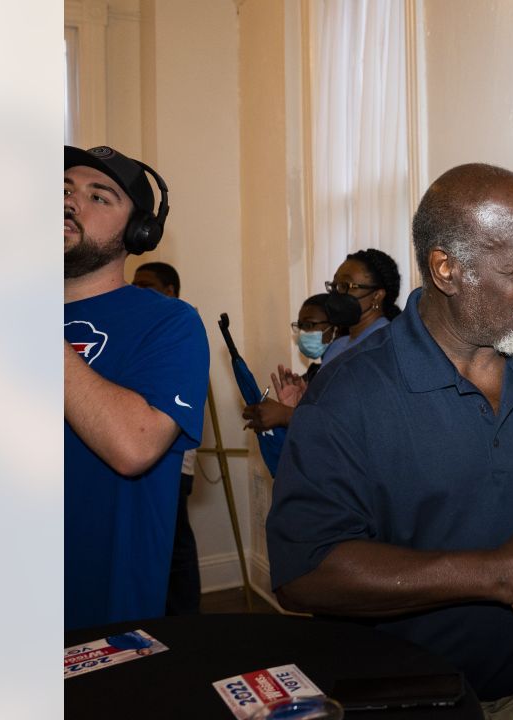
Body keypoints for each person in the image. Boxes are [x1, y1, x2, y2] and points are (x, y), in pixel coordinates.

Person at [266, 163, 513, 718]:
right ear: (447, 270)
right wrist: (491, 573)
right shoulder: (348, 395)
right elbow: (305, 572)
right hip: (405, 700)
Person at [64, 146, 209, 629]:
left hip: (96, 611)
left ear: (138, 232)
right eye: (62, 190)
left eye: (98, 197)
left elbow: (134, 445)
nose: (68, 203)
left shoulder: (170, 323)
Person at [130, 261, 201, 616]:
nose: (138, 292)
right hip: (147, 456)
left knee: (174, 547)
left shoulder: (180, 328)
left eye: (147, 286)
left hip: (173, 460)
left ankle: (186, 620)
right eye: (134, 285)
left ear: (170, 291)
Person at [240, 291, 360, 432]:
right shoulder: (317, 372)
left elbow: (340, 427)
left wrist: (286, 415)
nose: (302, 332)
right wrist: (296, 407)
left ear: (336, 327)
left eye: (309, 324)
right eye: (300, 325)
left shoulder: (346, 368)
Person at [321, 247, 402, 362]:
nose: (337, 293)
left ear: (376, 296)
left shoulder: (388, 344)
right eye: (335, 285)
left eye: (345, 286)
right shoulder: (336, 346)